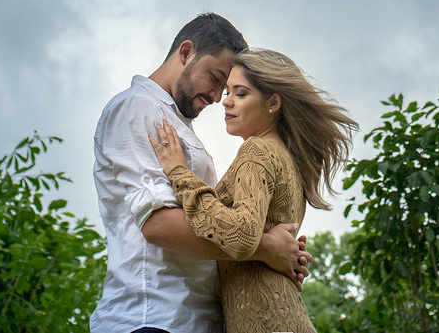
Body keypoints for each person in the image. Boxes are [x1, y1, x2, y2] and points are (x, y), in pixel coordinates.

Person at [91, 14, 311, 333]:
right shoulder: (138, 108)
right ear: (186, 52)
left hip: (194, 319)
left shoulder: (178, 125)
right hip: (153, 317)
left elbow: (211, 220)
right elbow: (159, 225)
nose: (218, 96)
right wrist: (265, 248)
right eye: (216, 76)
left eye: (228, 87)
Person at [150, 47, 357, 333]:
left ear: (273, 103)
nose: (226, 102)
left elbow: (242, 235)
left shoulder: (257, 152)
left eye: (240, 93)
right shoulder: (285, 158)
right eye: (227, 93)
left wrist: (179, 172)